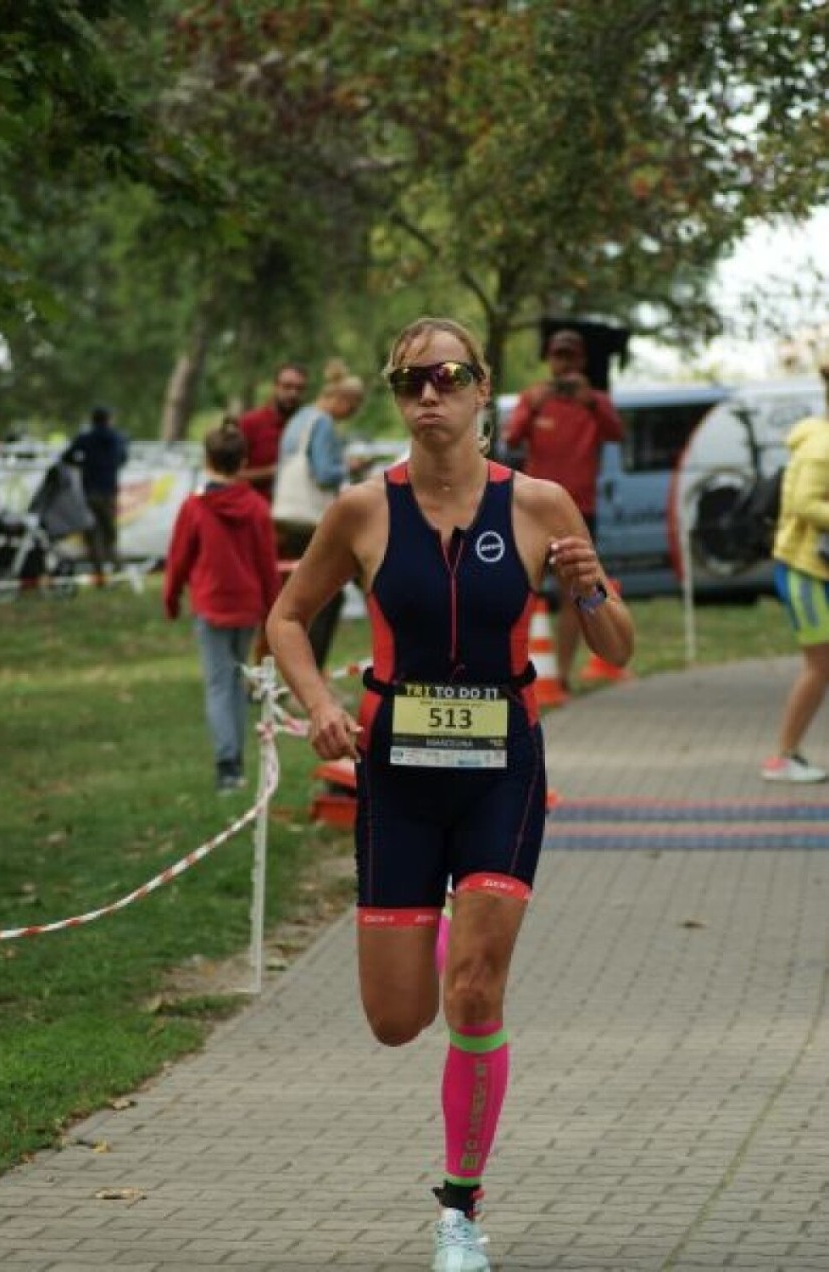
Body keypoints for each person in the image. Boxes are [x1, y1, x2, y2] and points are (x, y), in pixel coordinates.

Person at [266, 316, 634, 1271]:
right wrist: (318, 707)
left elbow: (616, 648)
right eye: (410, 381)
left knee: (474, 992)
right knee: (398, 1021)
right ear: (397, 397)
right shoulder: (361, 510)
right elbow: (287, 619)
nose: (430, 396)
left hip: (502, 767)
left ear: (482, 392)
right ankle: (440, 921)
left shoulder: (542, 504)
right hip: (399, 771)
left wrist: (591, 589)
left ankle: (460, 1210)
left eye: (449, 377)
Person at [502, 328, 624, 690]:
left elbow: (617, 433)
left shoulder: (594, 400)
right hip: (532, 512)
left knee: (577, 595)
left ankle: (562, 674)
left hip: (578, 512)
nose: (565, 365)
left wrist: (592, 402)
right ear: (550, 360)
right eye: (559, 357)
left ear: (582, 361)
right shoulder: (534, 397)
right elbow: (510, 438)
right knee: (518, 591)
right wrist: (535, 405)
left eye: (571, 357)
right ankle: (517, 672)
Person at [163, 420, 280, 793]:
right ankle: (236, 761)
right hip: (246, 608)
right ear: (244, 461)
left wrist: (171, 597)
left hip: (211, 609)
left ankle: (227, 765)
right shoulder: (258, 507)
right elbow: (267, 563)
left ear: (207, 458)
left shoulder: (194, 508)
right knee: (234, 680)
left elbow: (179, 558)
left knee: (219, 685)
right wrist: (275, 610)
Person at [272, 357, 367, 670]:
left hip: (287, 516)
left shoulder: (299, 418)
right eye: (351, 407)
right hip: (310, 519)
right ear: (340, 399)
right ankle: (311, 674)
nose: (350, 414)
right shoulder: (323, 423)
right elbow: (325, 473)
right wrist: (349, 467)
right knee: (326, 600)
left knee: (300, 598)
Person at [761, 369, 829, 784]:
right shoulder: (821, 445)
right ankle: (783, 756)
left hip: (815, 568)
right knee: (820, 665)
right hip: (805, 570)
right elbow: (805, 503)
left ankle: (786, 754)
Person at [62, 405, 128, 578]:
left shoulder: (85, 439)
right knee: (109, 530)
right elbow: (122, 458)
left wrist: (83, 464)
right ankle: (115, 567)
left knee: (92, 532)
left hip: (89, 490)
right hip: (108, 490)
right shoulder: (117, 438)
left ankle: (98, 570)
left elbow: (67, 457)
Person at [238, 361, 309, 501]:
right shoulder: (249, 423)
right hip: (254, 510)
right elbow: (230, 475)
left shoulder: (309, 426)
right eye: (287, 386)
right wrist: (273, 472)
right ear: (275, 387)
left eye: (299, 389)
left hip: (294, 512)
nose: (293, 393)